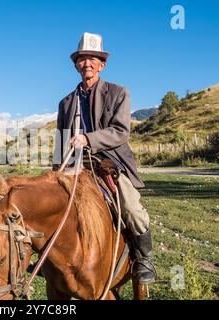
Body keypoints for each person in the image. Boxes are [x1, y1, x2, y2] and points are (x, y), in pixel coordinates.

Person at [53, 32, 156, 285]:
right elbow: (60, 138)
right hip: (73, 164)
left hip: (109, 163)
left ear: (102, 64)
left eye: (92, 59)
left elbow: (121, 132)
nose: (86, 63)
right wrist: (56, 170)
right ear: (76, 64)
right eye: (82, 59)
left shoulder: (118, 93)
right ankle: (51, 257)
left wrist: (88, 139)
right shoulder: (66, 102)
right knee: (51, 205)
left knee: (131, 208)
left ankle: (144, 258)